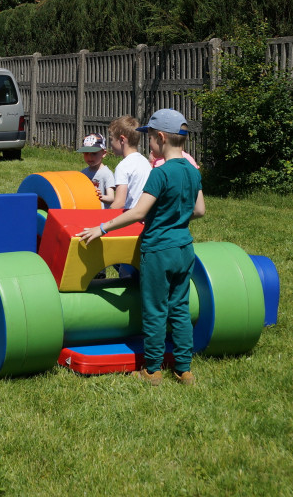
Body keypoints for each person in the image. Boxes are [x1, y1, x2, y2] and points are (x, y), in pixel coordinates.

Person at [78, 109, 205, 386]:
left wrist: (101, 228)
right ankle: (184, 370)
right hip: (184, 248)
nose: (149, 143)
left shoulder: (160, 173)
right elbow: (200, 210)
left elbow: (137, 212)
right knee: (180, 308)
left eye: (150, 138)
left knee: (156, 309)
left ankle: (152, 369)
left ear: (160, 138)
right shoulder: (192, 171)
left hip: (158, 250)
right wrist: (176, 215)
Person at [108, 116, 151, 210]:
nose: (110, 144)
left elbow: (120, 203)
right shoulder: (145, 162)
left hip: (131, 218)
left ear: (122, 140)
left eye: (111, 139)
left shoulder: (123, 166)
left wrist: (102, 218)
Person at [76, 132, 115, 208]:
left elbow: (111, 198)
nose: (90, 157)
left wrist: (101, 196)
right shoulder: (83, 173)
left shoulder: (107, 174)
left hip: (101, 214)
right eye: (86, 153)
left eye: (94, 153)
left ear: (103, 153)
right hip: (87, 210)